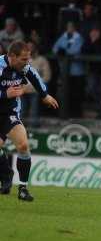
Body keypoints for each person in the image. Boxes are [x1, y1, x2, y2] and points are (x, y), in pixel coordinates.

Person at [0, 41, 59, 201]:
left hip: (10, 113)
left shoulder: (23, 67)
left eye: (28, 59)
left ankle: (23, 189)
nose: (27, 63)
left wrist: (45, 95)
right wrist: (5, 94)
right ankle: (6, 175)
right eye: (24, 59)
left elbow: (35, 76)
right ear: (12, 56)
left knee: (23, 145)